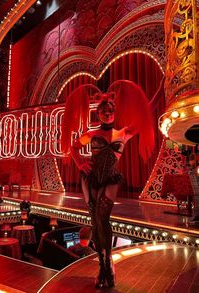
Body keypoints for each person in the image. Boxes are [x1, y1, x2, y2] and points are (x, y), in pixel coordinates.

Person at [61, 80, 155, 288]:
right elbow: (73, 147)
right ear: (98, 113)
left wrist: (157, 92)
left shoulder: (123, 133)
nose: (107, 113)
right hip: (90, 179)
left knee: (103, 217)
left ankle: (108, 261)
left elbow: (145, 113)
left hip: (111, 178)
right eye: (104, 110)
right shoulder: (92, 134)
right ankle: (103, 264)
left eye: (111, 110)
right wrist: (80, 165)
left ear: (114, 112)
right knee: (95, 221)